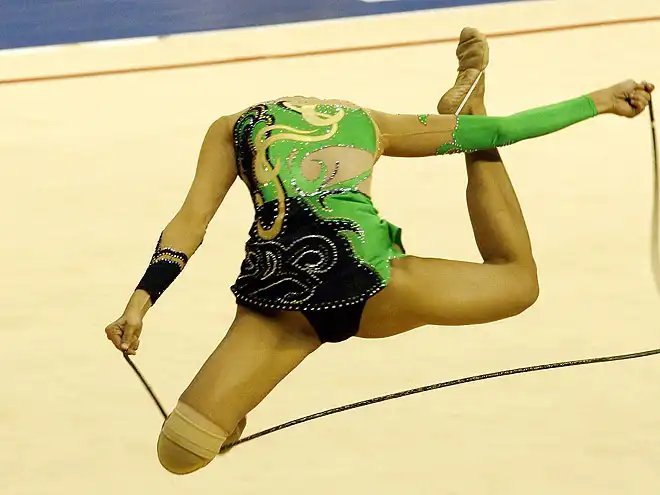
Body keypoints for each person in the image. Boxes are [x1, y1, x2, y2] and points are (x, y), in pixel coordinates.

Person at [104, 27, 654, 475]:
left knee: (182, 453)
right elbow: (509, 129)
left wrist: (140, 303)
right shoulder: (367, 121)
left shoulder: (233, 127)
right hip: (371, 285)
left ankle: (228, 416)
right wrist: (601, 100)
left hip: (279, 302)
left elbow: (190, 223)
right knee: (518, 281)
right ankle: (469, 116)